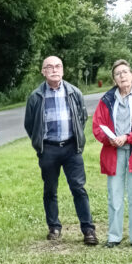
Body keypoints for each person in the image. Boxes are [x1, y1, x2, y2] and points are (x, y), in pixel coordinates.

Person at [24, 56, 98, 245]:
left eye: (57, 66)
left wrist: (75, 139)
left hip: (72, 148)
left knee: (79, 188)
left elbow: (81, 118)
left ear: (63, 70)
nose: (54, 70)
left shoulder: (74, 92)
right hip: (48, 149)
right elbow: (30, 125)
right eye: (49, 67)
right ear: (43, 71)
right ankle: (54, 227)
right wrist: (39, 145)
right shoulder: (35, 96)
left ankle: (88, 229)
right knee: (50, 190)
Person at [92, 60, 132, 249]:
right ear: (114, 79)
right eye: (118, 73)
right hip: (114, 152)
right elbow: (97, 126)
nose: (122, 76)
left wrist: (127, 137)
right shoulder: (107, 99)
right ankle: (114, 236)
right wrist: (109, 138)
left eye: (125, 72)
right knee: (115, 196)